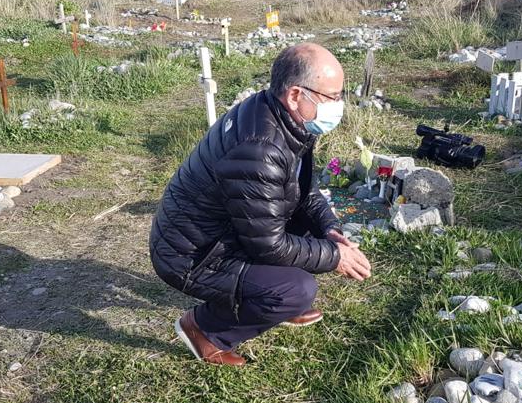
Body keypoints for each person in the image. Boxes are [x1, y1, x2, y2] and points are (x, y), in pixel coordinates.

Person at [149, 43, 372, 366]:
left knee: (312, 237)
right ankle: (204, 329)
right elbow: (268, 245)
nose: (338, 106)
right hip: (191, 254)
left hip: (222, 230)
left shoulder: (283, 118)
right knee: (297, 289)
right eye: (333, 97)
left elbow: (303, 190)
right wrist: (335, 256)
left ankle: (270, 303)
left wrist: (329, 230)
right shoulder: (259, 149)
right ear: (295, 94)